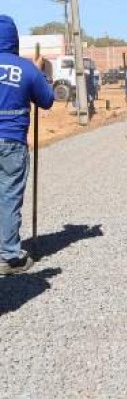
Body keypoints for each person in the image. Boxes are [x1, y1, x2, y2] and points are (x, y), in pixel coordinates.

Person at [0, 15, 54, 275]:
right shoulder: (26, 69)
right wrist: (40, 71)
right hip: (11, 141)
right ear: (14, 40)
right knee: (9, 196)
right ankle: (9, 255)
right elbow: (47, 100)